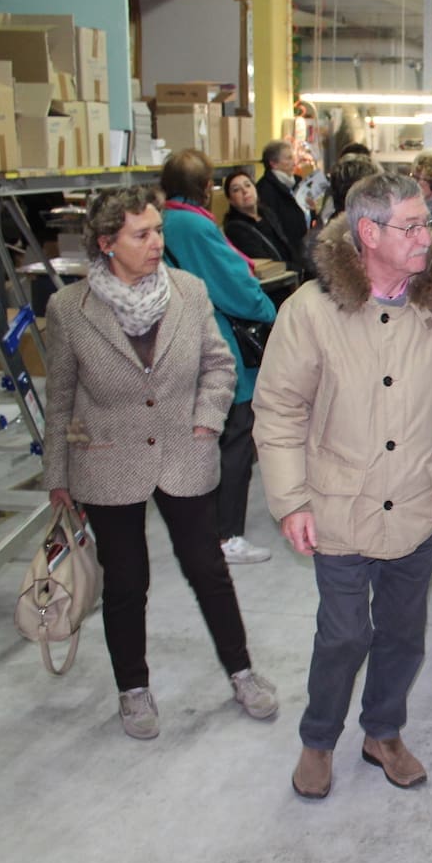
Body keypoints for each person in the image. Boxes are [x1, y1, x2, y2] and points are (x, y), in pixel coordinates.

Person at [253, 172, 432, 800]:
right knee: (345, 634)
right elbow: (279, 410)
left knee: (404, 635)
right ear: (368, 233)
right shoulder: (311, 311)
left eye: (427, 223)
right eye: (411, 226)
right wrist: (291, 500)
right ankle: (318, 739)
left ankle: (382, 732)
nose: (426, 237)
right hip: (338, 505)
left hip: (417, 502)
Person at [43, 185, 278, 741]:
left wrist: (207, 421)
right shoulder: (69, 310)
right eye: (141, 234)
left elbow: (219, 366)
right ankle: (133, 688)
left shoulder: (188, 291)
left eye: (158, 231)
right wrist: (58, 474)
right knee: (126, 582)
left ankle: (242, 672)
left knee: (208, 570)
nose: (156, 243)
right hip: (107, 460)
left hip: (183, 452)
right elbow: (61, 397)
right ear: (107, 243)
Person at [160, 149, 278, 566]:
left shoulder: (162, 221)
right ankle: (226, 535)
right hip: (216, 343)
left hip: (177, 341)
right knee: (235, 438)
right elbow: (230, 282)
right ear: (203, 186)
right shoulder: (195, 226)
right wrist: (268, 311)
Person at [222, 169, 295, 267]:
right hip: (275, 273)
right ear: (231, 200)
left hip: (292, 269)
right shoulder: (235, 228)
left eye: (248, 185)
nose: (245, 191)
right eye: (236, 190)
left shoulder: (267, 214)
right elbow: (263, 262)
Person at [258, 139, 309, 261]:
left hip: (303, 247)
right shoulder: (265, 189)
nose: (294, 162)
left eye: (293, 158)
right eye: (288, 158)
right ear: (273, 163)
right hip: (286, 253)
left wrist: (310, 210)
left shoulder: (298, 182)